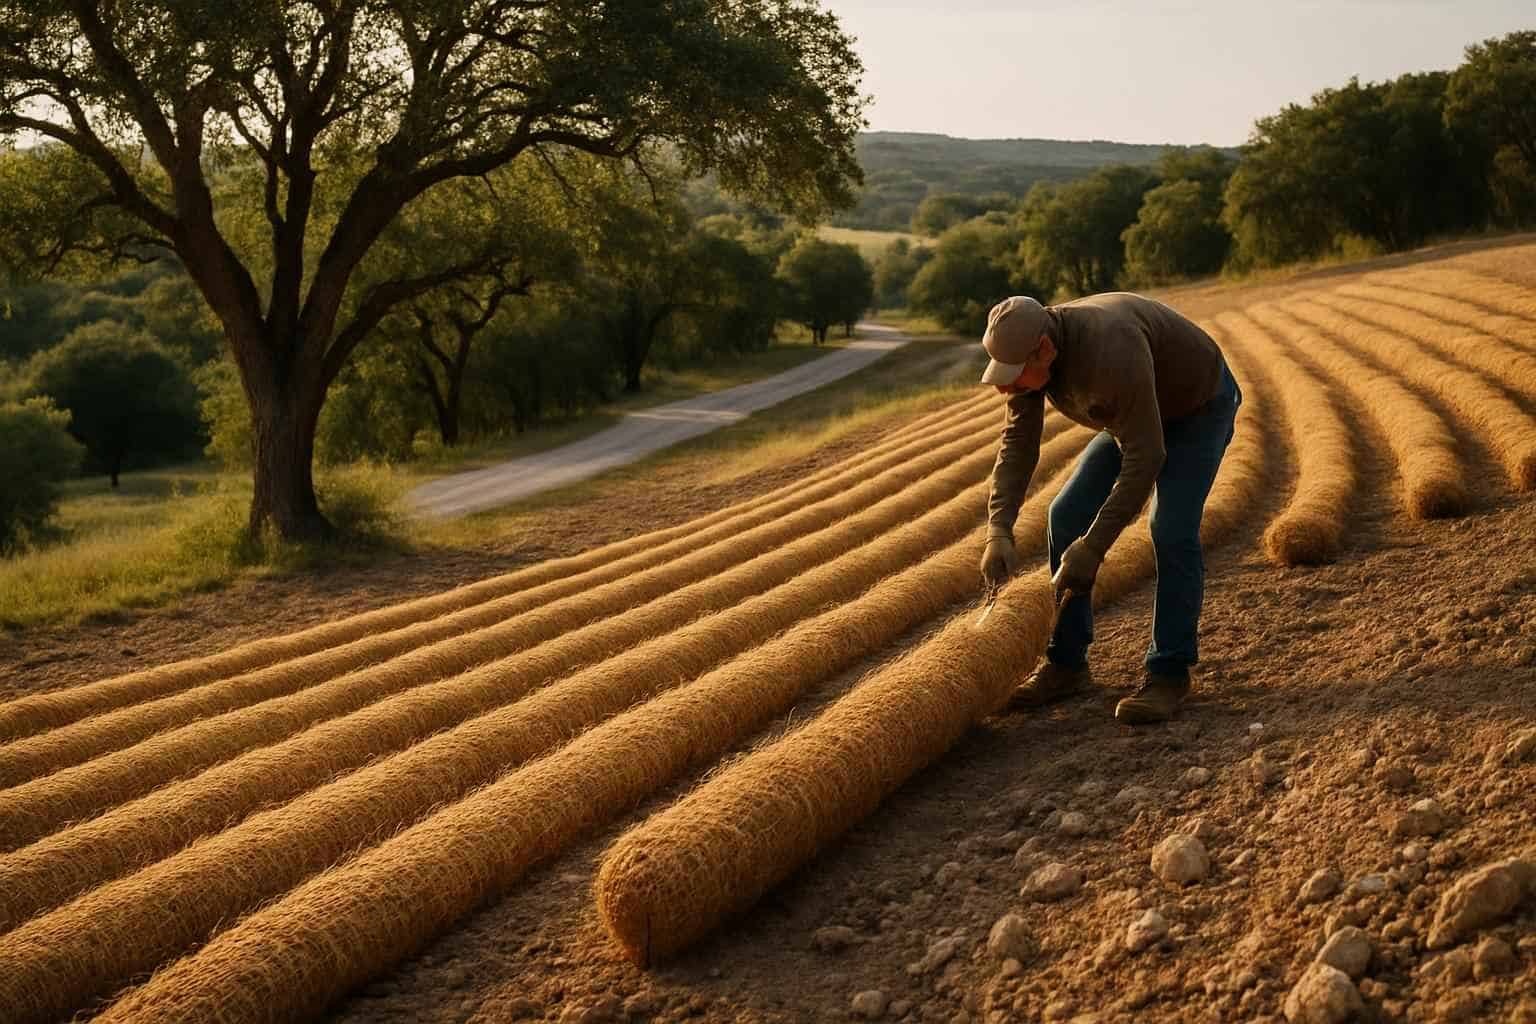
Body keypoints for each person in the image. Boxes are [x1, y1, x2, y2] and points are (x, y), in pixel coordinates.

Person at [977, 293, 1241, 724]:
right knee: (1063, 517)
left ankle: (1169, 673)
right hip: (1133, 417)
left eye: (1014, 376)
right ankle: (1066, 663)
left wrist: (1094, 546)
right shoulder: (1028, 355)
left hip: (1196, 410)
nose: (1008, 387)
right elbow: (1017, 448)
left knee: (1171, 529)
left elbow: (1147, 457)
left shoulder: (1110, 348)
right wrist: (998, 530)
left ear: (1044, 349)